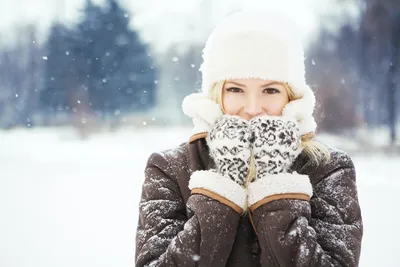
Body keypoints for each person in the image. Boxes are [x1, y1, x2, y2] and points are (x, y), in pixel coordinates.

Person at [135, 11, 363, 267]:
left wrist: (273, 181)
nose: (253, 108)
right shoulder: (170, 168)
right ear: (215, 95)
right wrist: (224, 185)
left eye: (270, 90)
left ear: (291, 97)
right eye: (235, 89)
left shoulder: (329, 169)